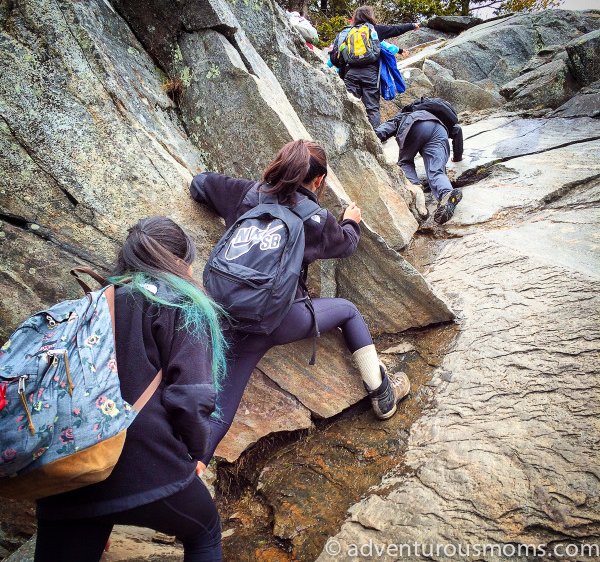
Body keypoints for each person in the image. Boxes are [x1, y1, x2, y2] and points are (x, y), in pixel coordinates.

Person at [190, 139, 411, 471]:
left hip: (224, 311)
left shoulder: (246, 194)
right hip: (277, 319)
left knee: (220, 407)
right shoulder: (316, 219)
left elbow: (199, 185)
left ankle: (187, 473)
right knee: (348, 311)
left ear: (278, 164)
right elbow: (347, 244)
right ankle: (381, 393)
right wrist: (351, 219)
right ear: (318, 180)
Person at [34, 217, 227, 562]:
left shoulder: (94, 302)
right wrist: (196, 453)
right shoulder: (179, 304)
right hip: (144, 468)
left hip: (69, 467)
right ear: (182, 262)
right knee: (206, 532)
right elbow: (192, 397)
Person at [333, 5, 419, 128]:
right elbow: (395, 29)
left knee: (349, 106)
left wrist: (343, 74)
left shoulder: (349, 32)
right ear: (370, 16)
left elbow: (341, 56)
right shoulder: (374, 30)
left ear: (356, 18)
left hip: (351, 74)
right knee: (372, 108)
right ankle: (376, 140)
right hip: (370, 75)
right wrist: (411, 26)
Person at [375, 110, 463, 224]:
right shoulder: (439, 114)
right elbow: (457, 130)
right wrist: (457, 157)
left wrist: (370, 138)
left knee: (405, 162)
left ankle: (417, 191)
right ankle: (447, 194)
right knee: (437, 171)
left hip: (414, 126)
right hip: (438, 130)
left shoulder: (406, 114)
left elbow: (385, 129)